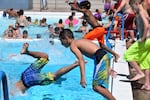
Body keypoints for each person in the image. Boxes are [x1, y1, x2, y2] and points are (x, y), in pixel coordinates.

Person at [59, 29, 119, 100]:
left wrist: (82, 78)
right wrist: (107, 67)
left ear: (66, 39)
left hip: (100, 58)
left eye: (61, 41)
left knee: (97, 87)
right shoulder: (79, 41)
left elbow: (81, 60)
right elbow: (96, 49)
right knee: (99, 86)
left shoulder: (73, 45)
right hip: (102, 57)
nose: (61, 43)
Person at [11, 42, 80, 95]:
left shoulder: (12, 93)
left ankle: (75, 64)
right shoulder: (10, 88)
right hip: (26, 74)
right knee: (45, 57)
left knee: (54, 76)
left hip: (29, 80)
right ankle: (26, 52)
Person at [123, 0, 150, 90]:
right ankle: (147, 84)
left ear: (136, 4)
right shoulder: (144, 11)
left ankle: (139, 73)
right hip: (149, 40)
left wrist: (142, 38)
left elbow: (146, 26)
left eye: (133, 7)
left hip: (145, 40)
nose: (133, 10)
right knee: (145, 62)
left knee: (128, 55)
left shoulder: (142, 11)